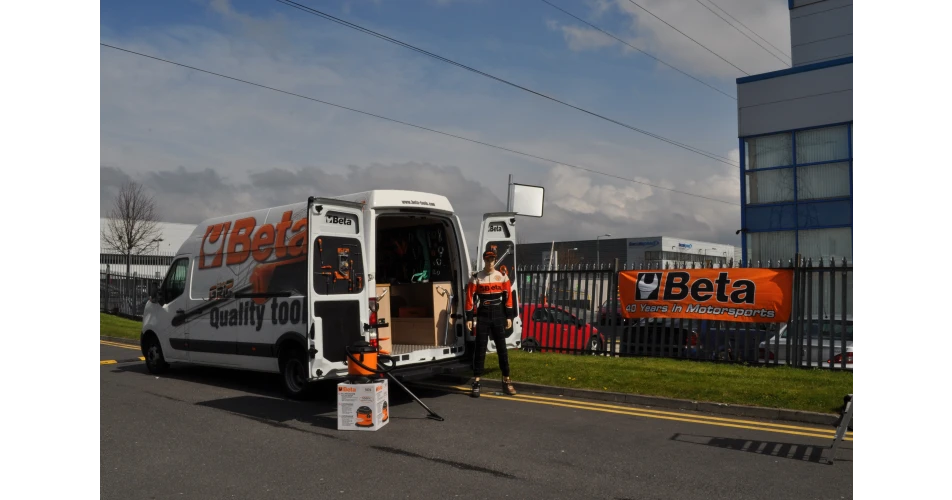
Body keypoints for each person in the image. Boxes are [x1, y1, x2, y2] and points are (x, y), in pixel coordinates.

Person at [465, 249, 516, 398]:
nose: (490, 262)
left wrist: (509, 317)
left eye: (492, 259)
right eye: (487, 260)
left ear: (495, 260)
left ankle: (506, 380)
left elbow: (508, 297)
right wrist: (469, 318)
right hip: (483, 315)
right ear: (484, 260)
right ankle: (476, 381)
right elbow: (470, 299)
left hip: (498, 314)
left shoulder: (502, 277)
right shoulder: (476, 278)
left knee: (502, 348)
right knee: (480, 348)